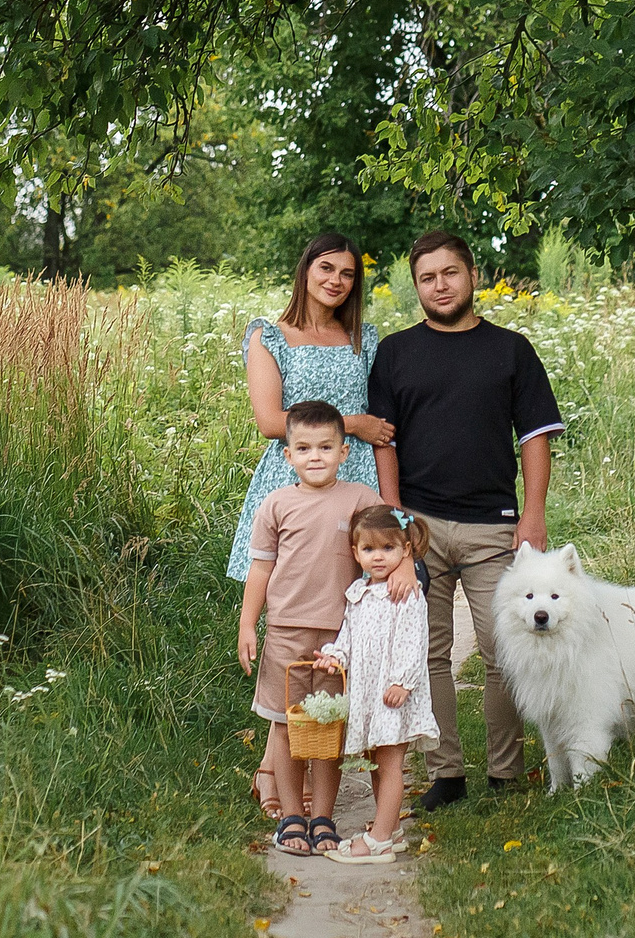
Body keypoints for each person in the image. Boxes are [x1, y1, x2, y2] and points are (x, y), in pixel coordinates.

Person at [369, 229, 565, 810]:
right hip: (420, 525)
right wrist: (393, 517)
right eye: (427, 278)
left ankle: (506, 771)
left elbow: (535, 437)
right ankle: (446, 772)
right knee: (426, 652)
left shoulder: (510, 350)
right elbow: (385, 440)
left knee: (503, 649)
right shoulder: (397, 352)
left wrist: (532, 514)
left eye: (449, 273)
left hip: (493, 525)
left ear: (471, 275)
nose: (440, 286)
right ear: (417, 287)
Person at [229, 231, 406, 817]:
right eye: (326, 268)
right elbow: (267, 419)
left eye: (348, 274)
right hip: (295, 480)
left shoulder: (364, 339)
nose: (336, 280)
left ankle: (312, 761)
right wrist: (348, 424)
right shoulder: (269, 335)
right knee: (290, 615)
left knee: (342, 619)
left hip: (353, 494)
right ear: (305, 269)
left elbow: (386, 427)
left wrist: (392, 508)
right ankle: (273, 770)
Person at [236, 401, 387, 856]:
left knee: (327, 726)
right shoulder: (276, 504)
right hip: (284, 632)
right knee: (285, 725)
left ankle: (323, 816)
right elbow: (260, 570)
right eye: (303, 448)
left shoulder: (360, 498)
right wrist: (248, 624)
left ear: (344, 451)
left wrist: (400, 571)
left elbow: (396, 534)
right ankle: (291, 818)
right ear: (287, 456)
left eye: (326, 447)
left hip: (340, 636)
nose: (315, 456)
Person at [312, 505, 441, 862]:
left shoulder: (406, 593)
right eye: (369, 550)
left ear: (405, 550)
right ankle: (391, 828)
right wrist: (336, 656)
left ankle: (380, 839)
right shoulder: (358, 594)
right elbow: (348, 638)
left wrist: (403, 682)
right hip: (366, 693)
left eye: (388, 549)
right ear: (356, 553)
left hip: (393, 692)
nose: (378, 557)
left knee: (389, 764)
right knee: (374, 759)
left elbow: (414, 642)